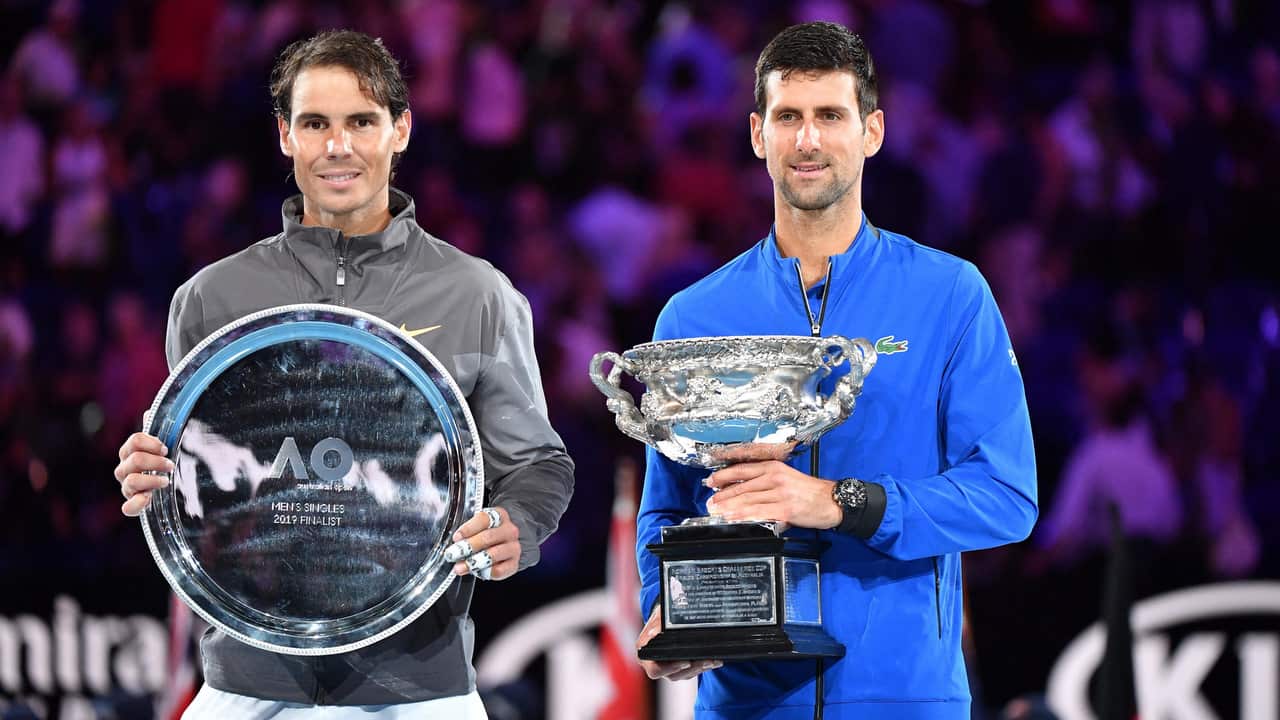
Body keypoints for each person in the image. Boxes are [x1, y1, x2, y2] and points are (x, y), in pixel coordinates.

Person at [112, 30, 574, 718]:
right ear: (284, 137)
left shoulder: (476, 292)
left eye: (361, 121)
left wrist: (518, 524)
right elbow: (199, 478)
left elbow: (538, 462)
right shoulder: (211, 298)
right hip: (249, 677)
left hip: (421, 680)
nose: (338, 146)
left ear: (401, 131)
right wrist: (150, 470)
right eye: (315, 124)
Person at [635, 22, 1037, 719]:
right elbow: (665, 509)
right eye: (788, 117)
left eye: (830, 116)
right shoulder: (692, 317)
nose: (808, 140)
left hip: (905, 698)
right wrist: (665, 616)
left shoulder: (950, 295)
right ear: (758, 134)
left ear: (872, 131)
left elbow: (1006, 494)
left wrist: (836, 503)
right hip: (746, 703)